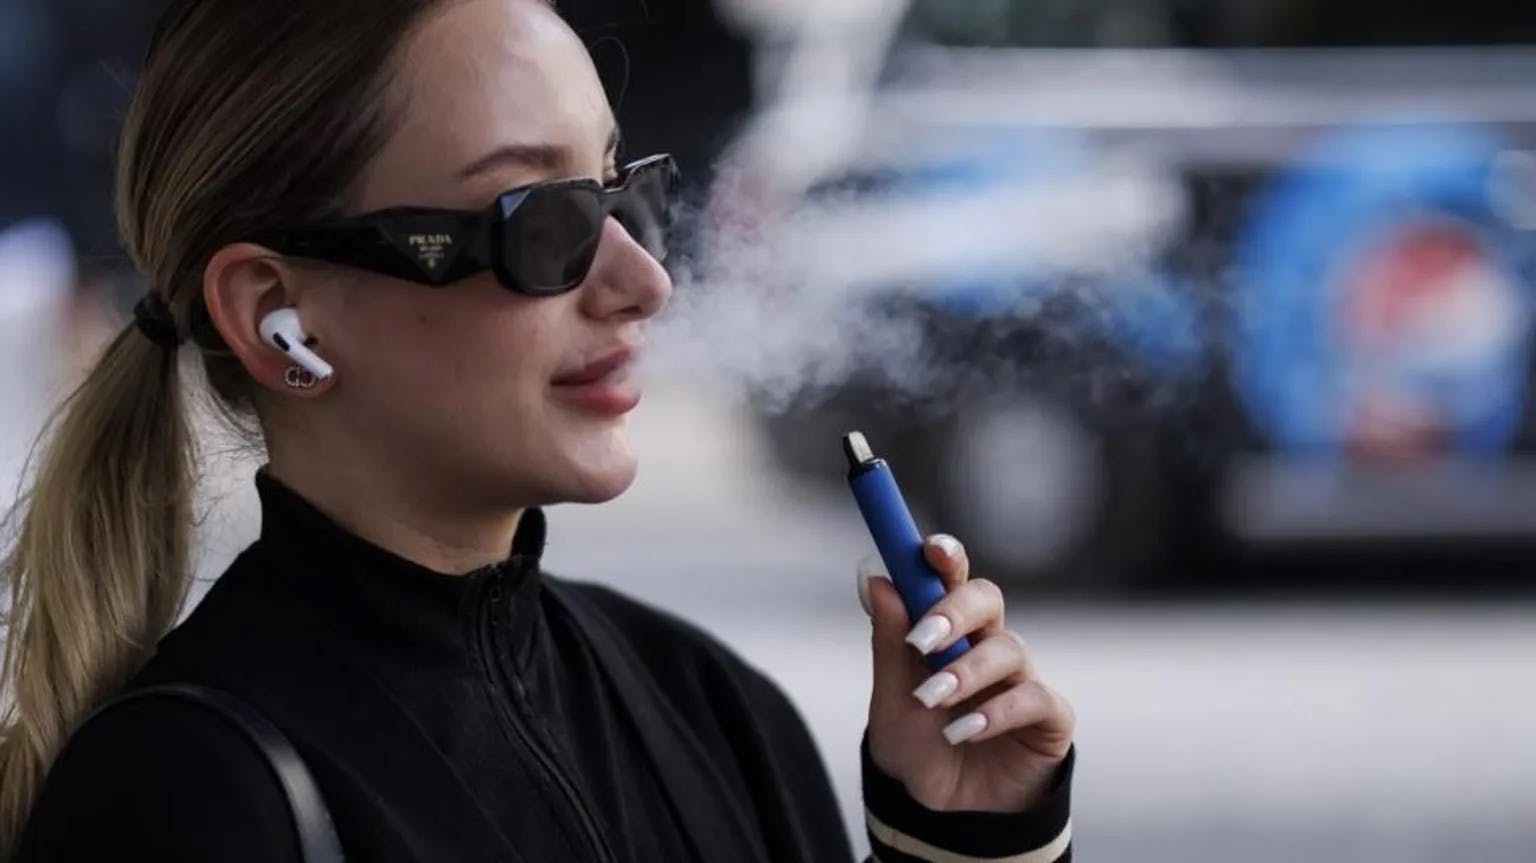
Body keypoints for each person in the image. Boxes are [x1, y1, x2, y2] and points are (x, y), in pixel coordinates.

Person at [0, 0, 1077, 859]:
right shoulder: (183, 793)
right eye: (539, 222)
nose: (643, 280)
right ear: (283, 319)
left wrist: (963, 835)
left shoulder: (713, 705)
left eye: (620, 195)